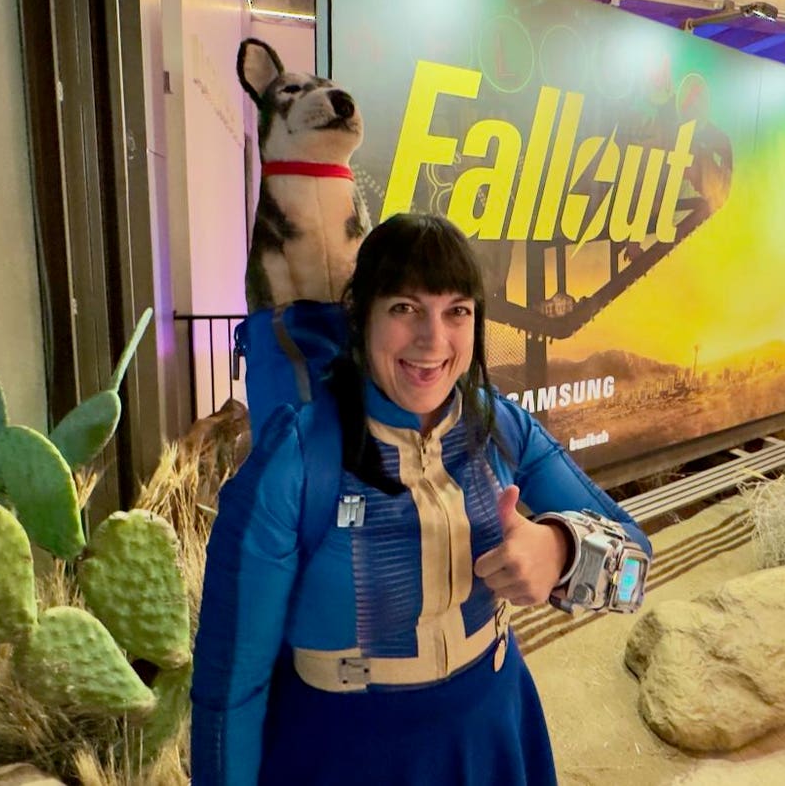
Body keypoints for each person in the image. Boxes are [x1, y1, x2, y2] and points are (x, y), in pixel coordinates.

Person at [191, 213, 652, 785]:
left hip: (493, 738)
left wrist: (562, 550)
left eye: (456, 310)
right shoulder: (294, 465)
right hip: (341, 761)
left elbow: (636, 565)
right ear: (362, 317)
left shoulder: (502, 427)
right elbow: (230, 690)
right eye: (405, 308)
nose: (433, 339)